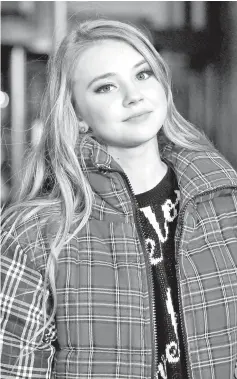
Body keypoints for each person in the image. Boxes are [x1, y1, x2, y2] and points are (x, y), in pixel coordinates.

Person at [1, 19, 237, 379]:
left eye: (143, 75)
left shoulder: (228, 207)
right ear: (77, 114)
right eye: (106, 86)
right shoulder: (33, 234)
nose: (133, 96)